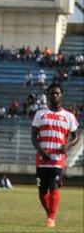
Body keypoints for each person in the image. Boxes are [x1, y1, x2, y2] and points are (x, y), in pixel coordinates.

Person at [31, 83, 80, 228]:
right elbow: (33, 137)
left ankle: (51, 218)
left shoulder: (68, 116)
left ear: (61, 95)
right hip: (41, 159)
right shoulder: (40, 114)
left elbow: (76, 136)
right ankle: (50, 215)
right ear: (47, 95)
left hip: (58, 160)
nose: (54, 95)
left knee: (54, 187)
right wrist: (41, 151)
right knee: (42, 191)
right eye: (51, 93)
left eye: (57, 93)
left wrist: (68, 146)